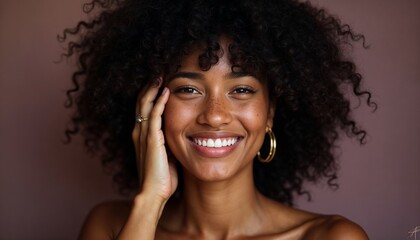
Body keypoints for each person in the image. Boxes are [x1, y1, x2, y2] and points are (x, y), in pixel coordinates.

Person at [61, 0, 375, 239]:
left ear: (270, 113)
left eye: (240, 89)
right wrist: (149, 203)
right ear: (151, 107)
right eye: (188, 89)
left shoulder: (331, 237)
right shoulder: (111, 227)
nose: (214, 115)